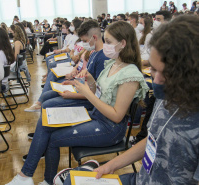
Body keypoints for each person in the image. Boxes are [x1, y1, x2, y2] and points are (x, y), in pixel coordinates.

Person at [6, 20, 149, 185]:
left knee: (53, 138)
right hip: (97, 116)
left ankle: (42, 180)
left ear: (123, 44)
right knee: (46, 119)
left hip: (110, 129)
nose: (106, 45)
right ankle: (26, 176)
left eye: (109, 42)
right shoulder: (113, 64)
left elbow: (117, 116)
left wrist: (87, 92)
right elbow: (100, 92)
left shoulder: (130, 74)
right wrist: (91, 81)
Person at [62, 14, 199, 185]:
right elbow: (153, 140)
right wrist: (110, 165)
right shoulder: (168, 98)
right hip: (142, 179)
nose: (155, 80)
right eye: (154, 70)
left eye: (167, 72)